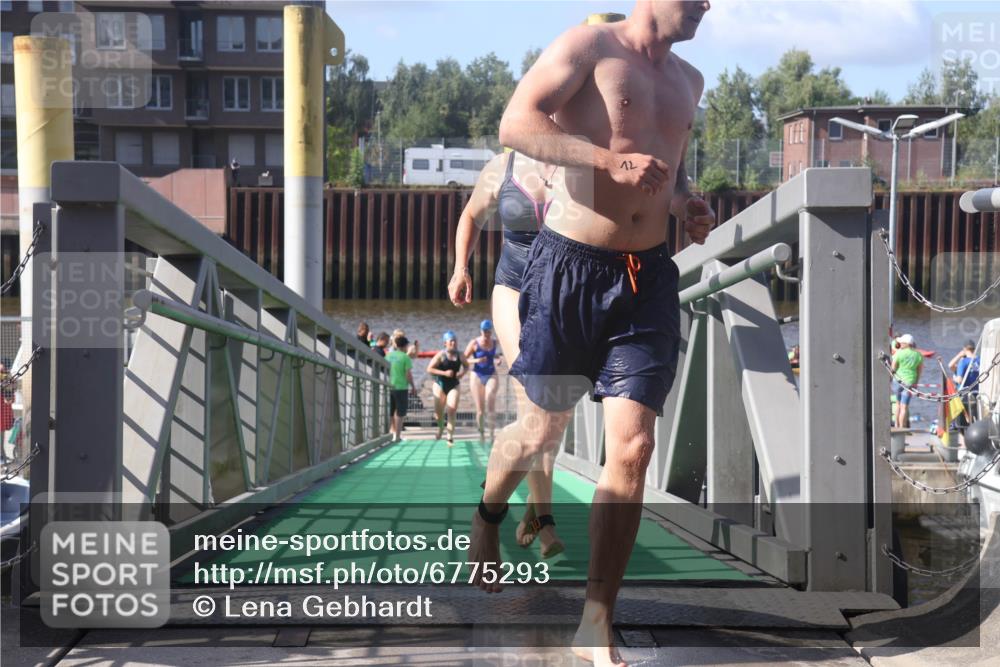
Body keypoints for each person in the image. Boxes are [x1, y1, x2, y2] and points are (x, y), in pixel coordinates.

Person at [468, 3, 715, 665]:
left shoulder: (690, 79)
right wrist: (609, 161)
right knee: (540, 431)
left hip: (650, 278)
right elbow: (516, 123)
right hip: (569, 270)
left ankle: (596, 620)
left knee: (632, 448)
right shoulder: (590, 46)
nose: (707, 5)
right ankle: (487, 519)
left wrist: (688, 206)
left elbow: (670, 170)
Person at [448, 147, 568, 557]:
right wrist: (461, 268)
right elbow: (470, 216)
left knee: (554, 418)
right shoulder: (502, 167)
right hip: (513, 291)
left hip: (565, 298)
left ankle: (530, 507)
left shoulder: (582, 161)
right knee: (534, 405)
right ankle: (537, 521)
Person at [427, 331, 468, 445]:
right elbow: (429, 369)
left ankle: (449, 436)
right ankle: (440, 428)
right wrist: (444, 373)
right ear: (445, 343)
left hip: (454, 384)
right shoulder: (441, 355)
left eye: (455, 341)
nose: (453, 343)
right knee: (438, 413)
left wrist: (462, 373)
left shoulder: (460, 355)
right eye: (451, 341)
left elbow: (466, 366)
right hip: (440, 384)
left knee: (452, 409)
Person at [463, 320, 501, 441]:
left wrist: (498, 358)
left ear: (491, 331)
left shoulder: (495, 342)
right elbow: (464, 359)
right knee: (480, 410)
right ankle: (481, 433)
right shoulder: (474, 343)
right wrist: (476, 361)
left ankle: (491, 434)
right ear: (481, 331)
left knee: (490, 402)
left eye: (489, 332)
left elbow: (496, 354)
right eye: (484, 332)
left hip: (491, 374)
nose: (487, 335)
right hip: (477, 374)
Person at [386, 335, 416, 442]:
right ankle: (397, 436)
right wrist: (413, 386)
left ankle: (389, 434)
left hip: (389, 386)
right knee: (400, 412)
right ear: (404, 346)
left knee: (390, 411)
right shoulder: (405, 357)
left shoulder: (388, 356)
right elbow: (408, 374)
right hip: (401, 387)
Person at [892, 333, 923, 428]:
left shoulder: (899, 353)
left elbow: (893, 368)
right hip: (910, 382)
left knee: (897, 404)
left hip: (897, 381)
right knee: (904, 407)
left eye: (902, 342)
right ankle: (902, 427)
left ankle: (896, 425)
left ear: (906, 343)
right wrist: (916, 383)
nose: (900, 344)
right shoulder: (918, 354)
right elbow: (919, 370)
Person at [949, 340, 980, 422]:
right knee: (976, 415)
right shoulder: (980, 360)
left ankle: (963, 430)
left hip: (965, 394)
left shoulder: (963, 362)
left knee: (964, 420)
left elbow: (959, 380)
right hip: (978, 393)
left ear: (964, 349)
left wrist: (954, 379)